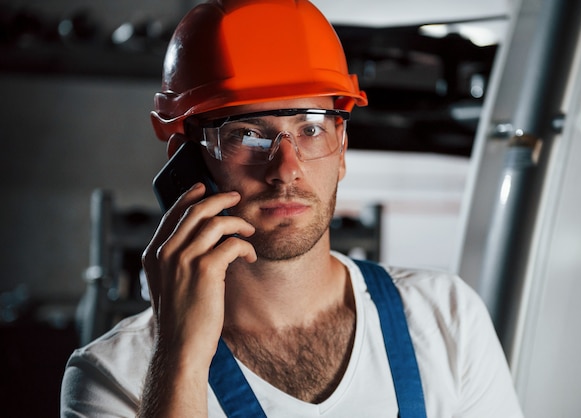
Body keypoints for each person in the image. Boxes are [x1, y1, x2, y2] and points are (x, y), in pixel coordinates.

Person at [61, 0, 524, 416]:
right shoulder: (113, 378)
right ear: (186, 159)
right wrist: (181, 356)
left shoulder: (447, 318)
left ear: (342, 150)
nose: (286, 169)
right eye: (245, 133)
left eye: (311, 128)